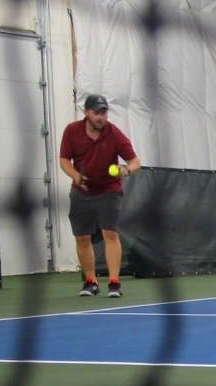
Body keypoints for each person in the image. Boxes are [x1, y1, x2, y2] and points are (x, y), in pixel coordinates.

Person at [59, 94, 141, 298]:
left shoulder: (114, 133)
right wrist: (76, 176)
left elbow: (135, 162)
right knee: (82, 237)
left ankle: (114, 283)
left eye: (104, 112)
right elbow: (64, 160)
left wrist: (126, 170)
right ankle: (90, 282)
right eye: (96, 112)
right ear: (86, 112)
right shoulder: (72, 131)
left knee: (110, 234)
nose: (101, 117)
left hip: (109, 190)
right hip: (81, 192)